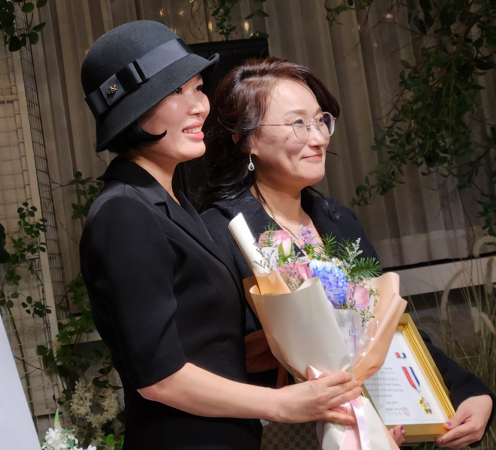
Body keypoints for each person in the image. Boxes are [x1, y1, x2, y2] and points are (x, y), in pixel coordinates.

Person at [79, 23, 362, 450]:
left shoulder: (171, 204)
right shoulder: (124, 212)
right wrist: (282, 404)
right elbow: (160, 378)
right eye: (177, 92)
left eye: (198, 88)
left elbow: (204, 343)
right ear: (134, 110)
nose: (200, 107)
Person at [200, 57, 496, 450]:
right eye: (298, 123)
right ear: (247, 139)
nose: (319, 138)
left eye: (320, 120)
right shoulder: (219, 233)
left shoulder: (339, 222)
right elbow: (210, 364)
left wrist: (467, 390)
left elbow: (390, 329)